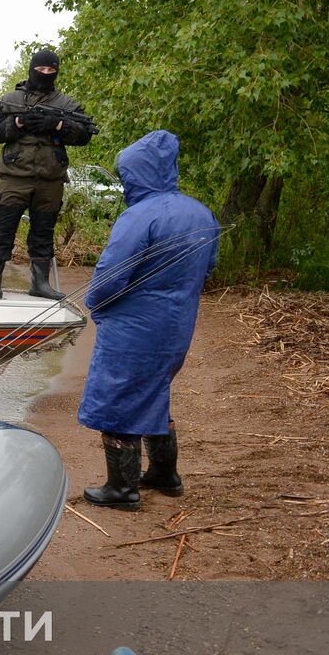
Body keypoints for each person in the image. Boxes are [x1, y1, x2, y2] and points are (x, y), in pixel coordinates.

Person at [78, 130, 219, 510]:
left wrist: (94, 304)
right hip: (178, 326)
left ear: (137, 173)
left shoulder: (139, 216)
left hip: (135, 327)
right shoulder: (201, 212)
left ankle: (122, 489)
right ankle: (164, 474)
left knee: (118, 396)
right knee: (154, 391)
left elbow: (109, 278)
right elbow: (209, 269)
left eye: (126, 175)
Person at [0, 49, 94, 300]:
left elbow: (85, 134)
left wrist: (57, 125)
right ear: (32, 69)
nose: (45, 74)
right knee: (3, 227)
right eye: (41, 69)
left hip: (50, 179)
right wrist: (17, 123)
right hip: (14, 176)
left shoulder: (66, 105)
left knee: (44, 231)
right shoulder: (9, 100)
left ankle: (40, 283)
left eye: (50, 71)